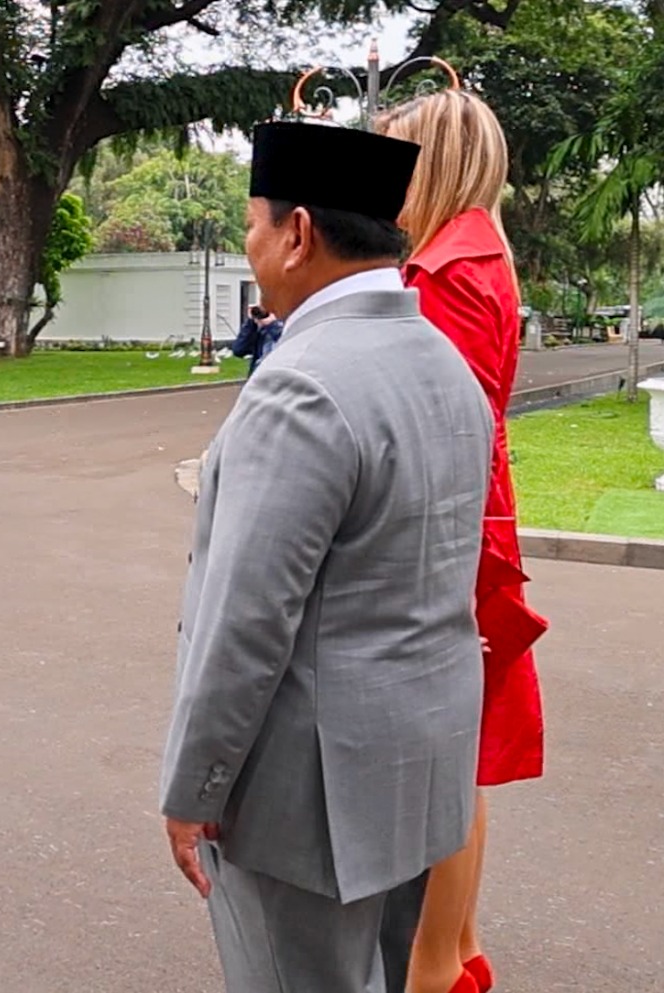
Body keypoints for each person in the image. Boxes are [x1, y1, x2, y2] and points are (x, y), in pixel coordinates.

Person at [158, 121, 494, 993]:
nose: (251, 246)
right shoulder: (444, 366)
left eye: (253, 224)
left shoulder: (303, 386)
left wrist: (195, 786)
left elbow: (245, 622)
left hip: (306, 795)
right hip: (418, 765)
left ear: (299, 232)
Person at [376, 89, 549, 993]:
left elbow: (436, 423)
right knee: (461, 750)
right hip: (474, 516)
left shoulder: (447, 270)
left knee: (449, 756)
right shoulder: (476, 251)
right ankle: (455, 947)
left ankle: (437, 961)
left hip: (451, 527)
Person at [231, 304, 284, 376]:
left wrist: (272, 325)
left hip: (278, 377)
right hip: (258, 376)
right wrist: (250, 323)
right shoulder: (261, 330)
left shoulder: (285, 325)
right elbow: (238, 350)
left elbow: (284, 342)